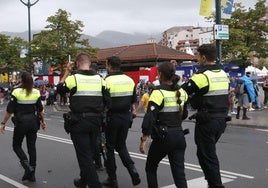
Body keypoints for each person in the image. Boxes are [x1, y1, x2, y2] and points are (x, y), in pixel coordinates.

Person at [57, 52, 111, 188]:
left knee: (84, 156)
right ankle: (82, 181)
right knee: (91, 152)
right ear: (89, 63)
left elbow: (60, 89)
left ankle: (95, 185)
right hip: (96, 121)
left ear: (77, 64)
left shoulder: (74, 78)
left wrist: (66, 72)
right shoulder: (100, 79)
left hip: (79, 121)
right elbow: (108, 101)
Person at [182, 44, 229, 188]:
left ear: (203, 57)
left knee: (208, 156)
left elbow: (182, 92)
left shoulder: (202, 76)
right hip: (221, 120)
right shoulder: (222, 74)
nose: (198, 59)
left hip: (207, 121)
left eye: (198, 57)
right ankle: (212, 182)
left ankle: (216, 185)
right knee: (204, 154)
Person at [140, 62, 188, 188]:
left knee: (150, 167)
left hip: (164, 137)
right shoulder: (182, 91)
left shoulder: (158, 92)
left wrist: (144, 139)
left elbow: (149, 118)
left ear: (160, 74)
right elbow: (184, 114)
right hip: (179, 136)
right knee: (179, 174)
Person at [0, 71, 46, 182]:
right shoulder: (36, 92)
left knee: (16, 145)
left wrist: (3, 123)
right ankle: (32, 174)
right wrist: (43, 122)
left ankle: (27, 167)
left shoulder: (16, 92)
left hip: (21, 123)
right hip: (33, 123)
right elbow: (40, 110)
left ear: (22, 80)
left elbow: (9, 111)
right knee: (32, 148)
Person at [103, 56, 141, 188]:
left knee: (110, 147)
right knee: (121, 145)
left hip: (112, 117)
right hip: (126, 117)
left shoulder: (106, 81)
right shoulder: (129, 80)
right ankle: (132, 170)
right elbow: (133, 100)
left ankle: (112, 179)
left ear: (109, 66)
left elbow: (103, 102)